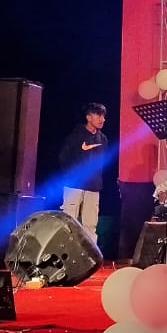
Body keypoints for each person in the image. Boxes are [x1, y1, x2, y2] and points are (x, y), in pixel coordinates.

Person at [58, 102, 109, 244]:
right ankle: (67, 249)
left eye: (103, 116)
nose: (102, 119)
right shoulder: (75, 136)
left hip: (93, 186)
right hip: (74, 185)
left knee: (91, 223)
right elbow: (64, 158)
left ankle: (90, 252)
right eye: (98, 115)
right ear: (88, 117)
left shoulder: (103, 139)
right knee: (69, 221)